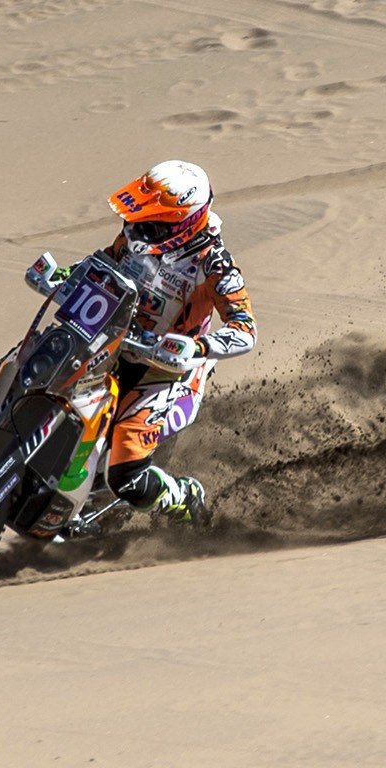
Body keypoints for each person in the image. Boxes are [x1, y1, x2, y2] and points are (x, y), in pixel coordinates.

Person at [24, 160, 255, 525]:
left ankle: (184, 497)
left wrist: (198, 348)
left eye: (152, 223)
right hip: (106, 344)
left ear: (184, 222)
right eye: (140, 219)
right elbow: (98, 266)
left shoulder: (215, 267)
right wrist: (60, 278)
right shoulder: (133, 240)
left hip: (163, 372)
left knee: (126, 478)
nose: (138, 229)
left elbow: (245, 330)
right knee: (30, 369)